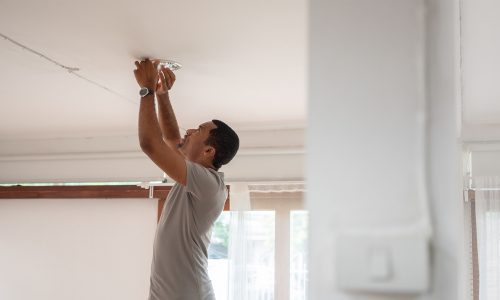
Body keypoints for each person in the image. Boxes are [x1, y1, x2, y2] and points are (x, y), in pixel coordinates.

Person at [133, 59, 239, 300]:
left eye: (199, 130)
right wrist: (161, 94)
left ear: (208, 151)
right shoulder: (196, 177)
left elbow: (151, 144)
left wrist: (146, 89)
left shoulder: (209, 185)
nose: (189, 131)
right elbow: (172, 139)